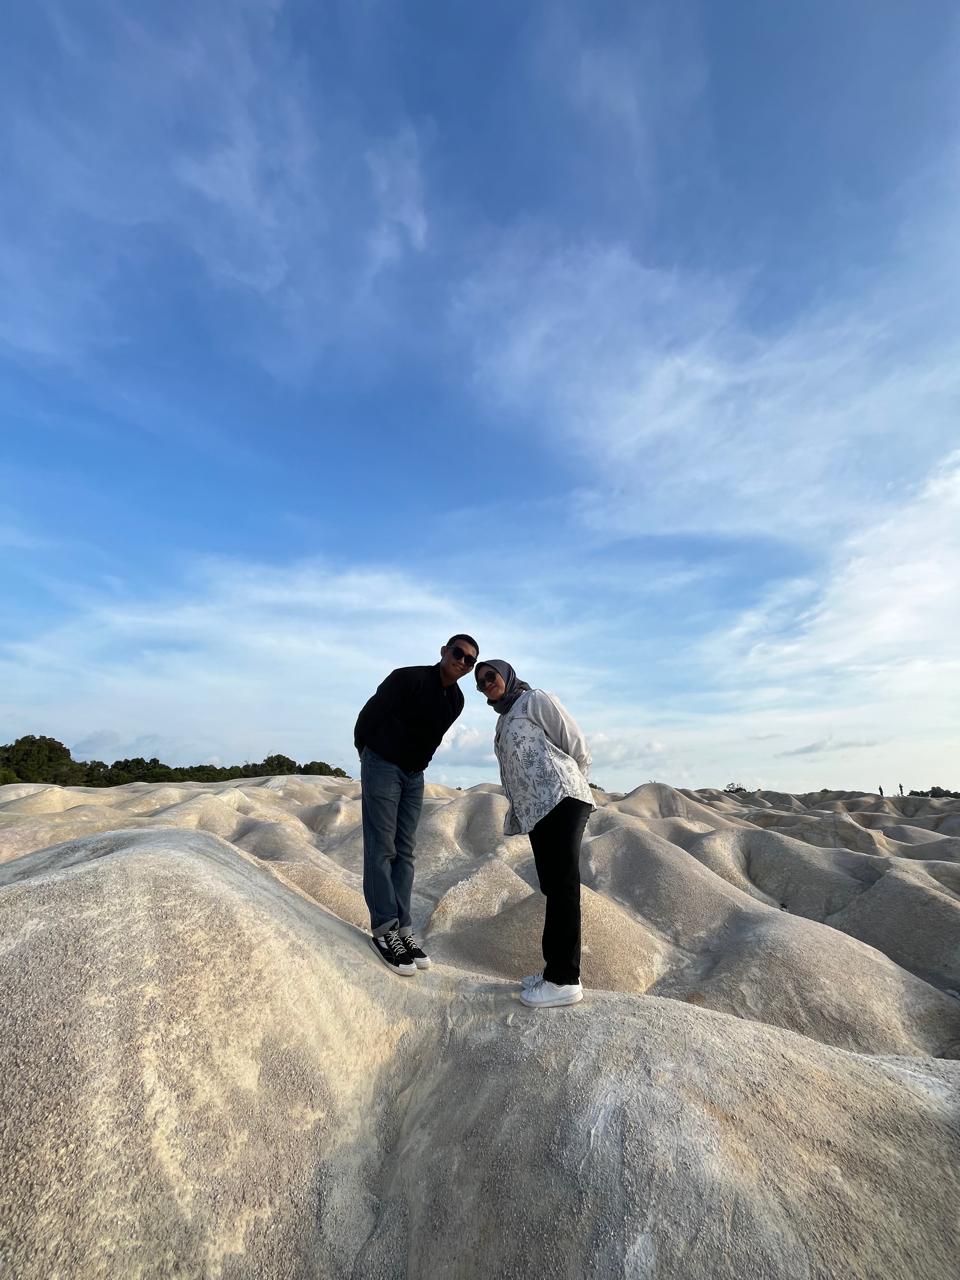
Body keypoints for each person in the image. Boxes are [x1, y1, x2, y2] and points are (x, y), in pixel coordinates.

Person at [354, 634, 479, 975]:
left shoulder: (456, 700)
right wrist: (367, 752)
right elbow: (368, 716)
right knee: (381, 847)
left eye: (469, 660)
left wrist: (417, 766)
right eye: (458, 653)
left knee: (405, 851)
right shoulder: (407, 678)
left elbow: (431, 737)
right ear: (444, 651)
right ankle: (384, 930)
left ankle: (403, 930)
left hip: (414, 775)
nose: (462, 662)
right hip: (383, 764)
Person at [475, 659, 594, 1008]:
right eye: (480, 682)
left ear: (506, 674)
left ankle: (564, 980)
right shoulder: (504, 719)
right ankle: (553, 969)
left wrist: (571, 781)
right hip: (537, 810)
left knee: (563, 886)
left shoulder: (534, 700)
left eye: (490, 675)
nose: (486, 683)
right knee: (552, 887)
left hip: (561, 798)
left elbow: (576, 744)